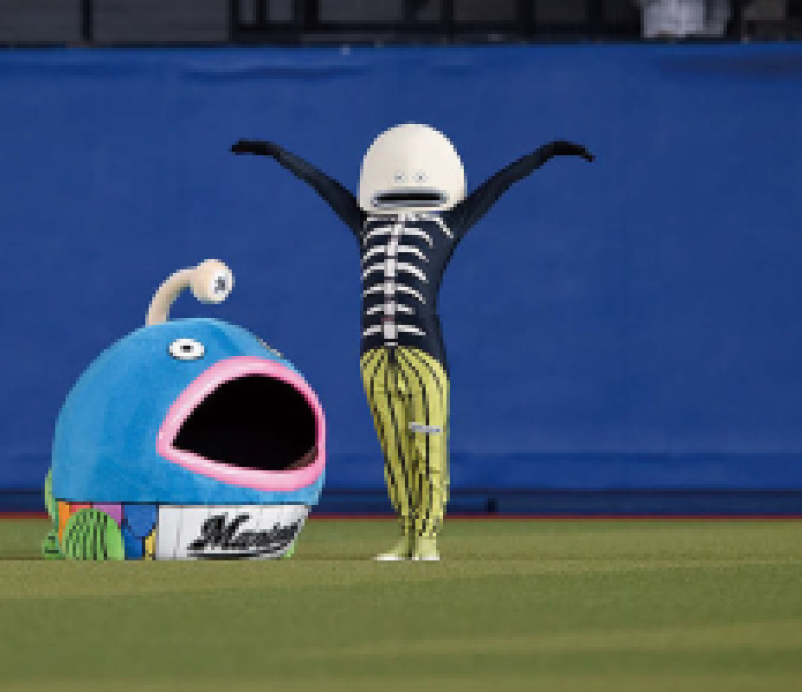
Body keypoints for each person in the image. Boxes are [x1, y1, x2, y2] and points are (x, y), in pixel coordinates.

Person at [230, 126, 594, 561]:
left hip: (421, 351)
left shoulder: (448, 223)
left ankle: (427, 538)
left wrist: (546, 152)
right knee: (395, 450)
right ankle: (407, 534)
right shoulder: (366, 223)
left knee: (427, 444)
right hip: (374, 352)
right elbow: (322, 184)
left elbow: (498, 185)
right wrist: (275, 152)